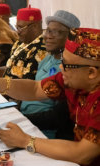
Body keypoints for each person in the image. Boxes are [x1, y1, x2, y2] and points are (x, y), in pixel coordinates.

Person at [0, 28, 100, 166]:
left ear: (91, 73)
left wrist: (26, 141)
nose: (61, 67)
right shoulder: (73, 80)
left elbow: (83, 154)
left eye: (66, 64)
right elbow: (35, 88)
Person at [22, 10, 80, 139]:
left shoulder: (72, 69)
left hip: (44, 132)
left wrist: (22, 120)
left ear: (71, 37)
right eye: (47, 31)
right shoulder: (46, 59)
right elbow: (34, 88)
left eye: (56, 32)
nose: (48, 36)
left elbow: (57, 117)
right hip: (27, 122)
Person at [0, 6, 47, 82]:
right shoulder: (20, 42)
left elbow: (28, 83)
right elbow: (11, 69)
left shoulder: (43, 48)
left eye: (21, 28)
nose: (18, 32)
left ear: (34, 27)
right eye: (17, 27)